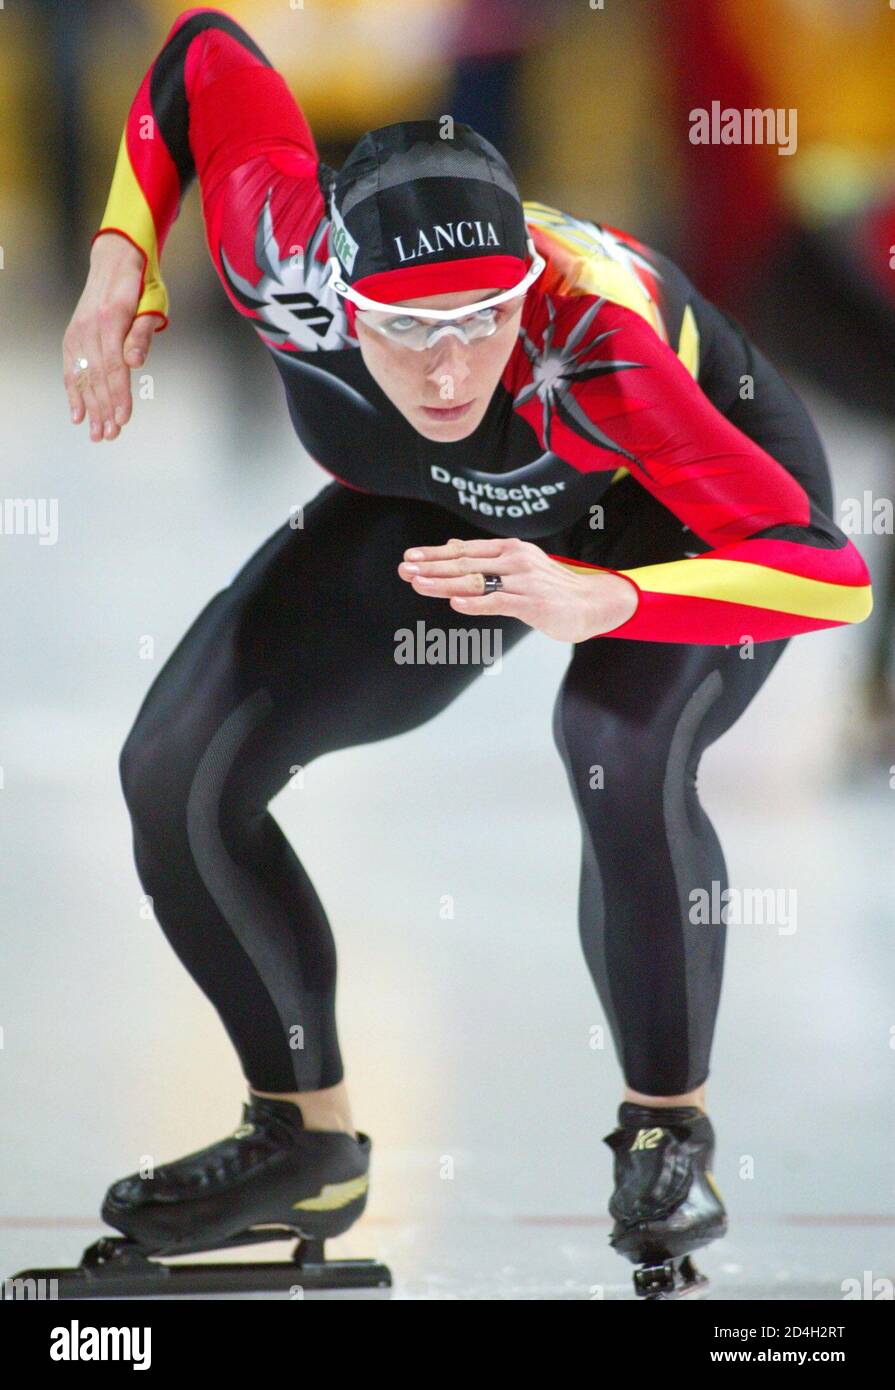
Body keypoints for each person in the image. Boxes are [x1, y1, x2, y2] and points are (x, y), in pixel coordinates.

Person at [63, 8, 872, 1276]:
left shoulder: (586, 343)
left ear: (522, 294)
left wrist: (615, 599)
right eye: (409, 331)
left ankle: (667, 1136)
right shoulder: (275, 244)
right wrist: (124, 251)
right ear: (332, 300)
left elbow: (829, 575)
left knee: (611, 733)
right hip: (449, 508)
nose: (450, 373)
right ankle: (302, 1142)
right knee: (178, 769)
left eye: (482, 320)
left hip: (674, 510)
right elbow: (200, 57)